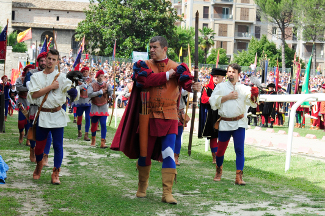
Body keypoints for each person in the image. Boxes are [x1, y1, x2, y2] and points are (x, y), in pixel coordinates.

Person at [110, 36, 201, 204]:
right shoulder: (142, 65)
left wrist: (195, 86)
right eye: (150, 47)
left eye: (155, 47)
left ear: (164, 48)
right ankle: (142, 187)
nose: (151, 50)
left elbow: (187, 83)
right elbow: (145, 81)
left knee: (168, 153)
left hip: (170, 116)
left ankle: (167, 193)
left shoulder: (178, 67)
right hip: (147, 115)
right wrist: (168, 75)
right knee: (144, 154)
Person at [27, 49, 79, 185]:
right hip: (42, 115)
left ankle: (56, 173)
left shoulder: (62, 77)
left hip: (57, 115)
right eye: (49, 58)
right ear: (46, 59)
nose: (50, 61)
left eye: (53, 59)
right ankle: (39, 165)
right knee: (39, 148)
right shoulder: (36, 76)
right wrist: (51, 87)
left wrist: (74, 88)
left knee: (57, 146)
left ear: (57, 62)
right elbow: (34, 95)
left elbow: (71, 93)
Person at [209, 63, 259, 185]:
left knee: (239, 150)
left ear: (238, 74)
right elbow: (212, 102)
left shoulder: (244, 88)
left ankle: (239, 177)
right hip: (225, 123)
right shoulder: (220, 87)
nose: (231, 74)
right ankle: (218, 171)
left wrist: (254, 95)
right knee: (220, 151)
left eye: (233, 72)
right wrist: (227, 97)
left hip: (239, 123)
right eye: (229, 71)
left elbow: (252, 103)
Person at [198, 68, 227, 164]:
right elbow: (203, 99)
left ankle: (220, 155)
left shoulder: (227, 88)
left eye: (218, 76)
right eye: (214, 76)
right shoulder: (207, 88)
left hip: (224, 113)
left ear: (223, 77)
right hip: (212, 114)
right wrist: (216, 99)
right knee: (213, 136)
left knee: (223, 136)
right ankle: (215, 157)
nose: (215, 78)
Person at [88, 70, 113, 148]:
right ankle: (93, 140)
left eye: (102, 76)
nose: (101, 77)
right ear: (97, 77)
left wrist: (112, 94)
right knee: (94, 124)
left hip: (103, 106)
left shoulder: (107, 85)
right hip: (95, 106)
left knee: (103, 124)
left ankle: (103, 142)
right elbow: (89, 94)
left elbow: (110, 91)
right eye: (100, 76)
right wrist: (100, 92)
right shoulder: (92, 85)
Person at [16, 64, 35, 145]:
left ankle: (28, 138)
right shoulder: (20, 79)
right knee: (21, 121)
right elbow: (18, 88)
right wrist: (30, 88)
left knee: (29, 121)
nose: (29, 72)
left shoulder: (35, 79)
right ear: (25, 71)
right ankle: (21, 133)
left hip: (30, 102)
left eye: (31, 70)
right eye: (28, 70)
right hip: (21, 101)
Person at [74, 66, 94, 141]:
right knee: (79, 118)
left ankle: (86, 134)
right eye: (84, 71)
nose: (85, 73)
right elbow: (76, 88)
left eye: (86, 71)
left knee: (88, 118)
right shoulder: (78, 80)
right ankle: (79, 131)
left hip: (88, 101)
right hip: (80, 102)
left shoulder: (92, 80)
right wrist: (83, 85)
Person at [174, 88, 190, 166]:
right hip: (167, 111)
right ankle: (165, 155)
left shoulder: (181, 86)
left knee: (178, 136)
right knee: (166, 135)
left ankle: (176, 157)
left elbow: (184, 91)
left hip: (178, 112)